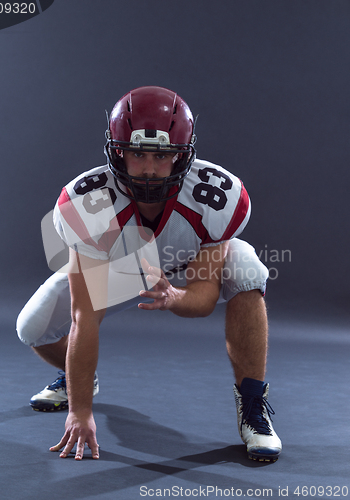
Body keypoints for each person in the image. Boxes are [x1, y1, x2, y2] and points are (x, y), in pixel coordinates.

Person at [17, 86, 282, 462]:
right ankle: (79, 382)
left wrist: (175, 297)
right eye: (137, 153)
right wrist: (80, 411)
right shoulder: (87, 204)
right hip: (120, 267)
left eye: (161, 155)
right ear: (117, 151)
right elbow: (83, 316)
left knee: (248, 266)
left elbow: (204, 296)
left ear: (183, 156)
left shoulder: (214, 198)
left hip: (187, 261)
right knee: (32, 328)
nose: (149, 169)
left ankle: (254, 408)